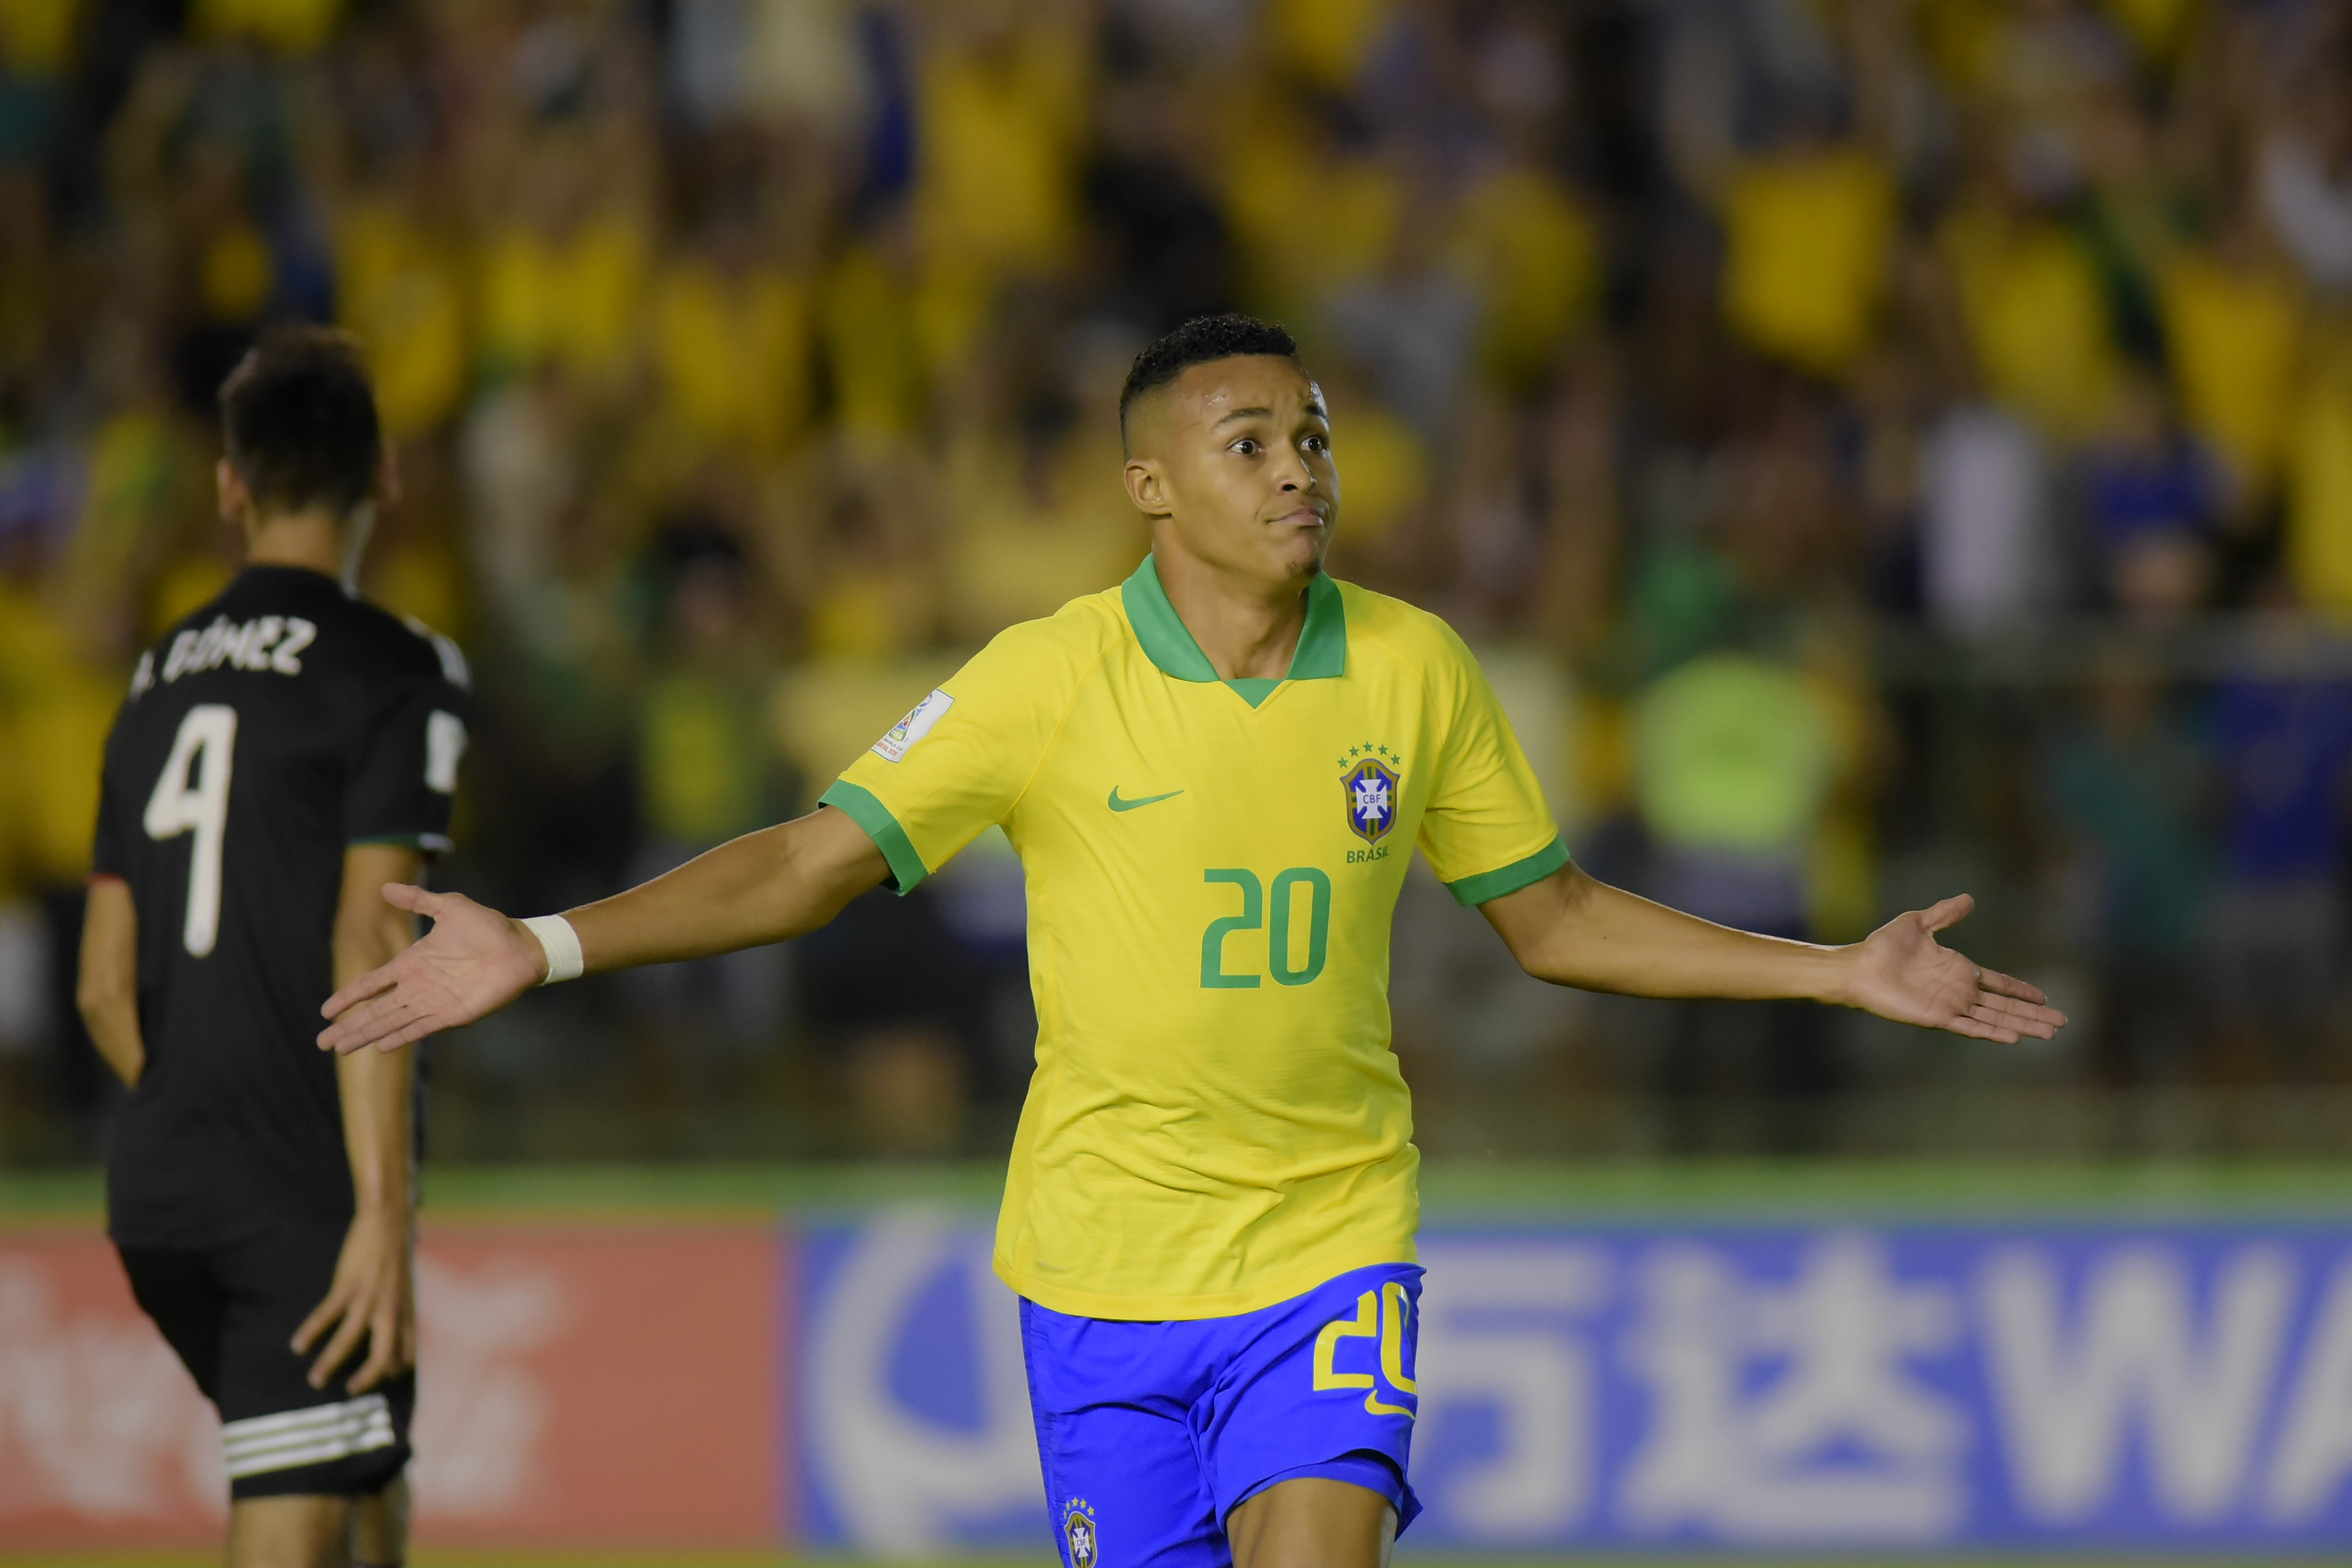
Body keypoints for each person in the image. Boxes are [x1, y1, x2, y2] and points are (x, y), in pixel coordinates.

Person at [317, 315, 2061, 1568]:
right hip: (1099, 1279)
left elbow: (1559, 918)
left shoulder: (1411, 666)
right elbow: (801, 864)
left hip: (1327, 1247)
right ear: (1153, 483)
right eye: (1252, 445)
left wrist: (1836, 965)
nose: (1299, 470)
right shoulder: (1045, 677)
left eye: (1312, 437)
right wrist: (536, 947)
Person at [80, 326, 470, 1568]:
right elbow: (373, 933)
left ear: (230, 484)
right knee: (300, 1516)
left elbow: (100, 981)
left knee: (358, 1465)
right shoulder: (395, 670)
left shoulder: (153, 680)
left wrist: (195, 1110)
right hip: (295, 1191)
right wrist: (380, 1210)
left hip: (155, 1182)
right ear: (386, 478)